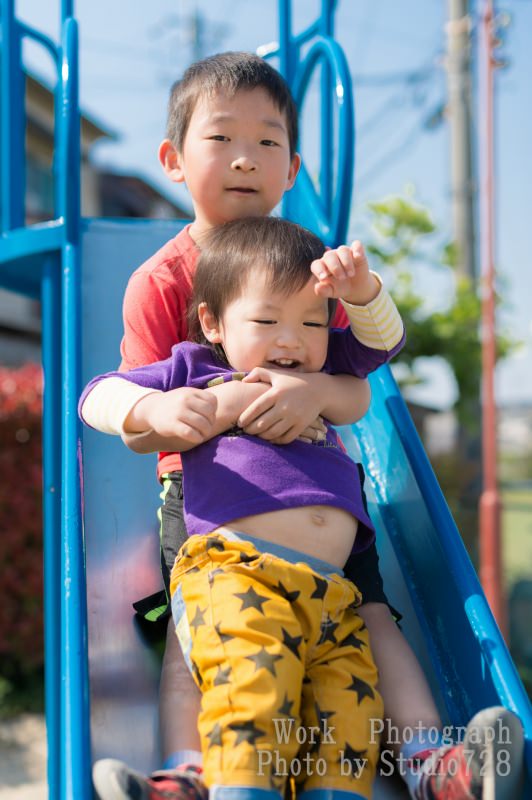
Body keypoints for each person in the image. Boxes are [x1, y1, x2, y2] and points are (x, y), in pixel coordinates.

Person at [87, 53, 522, 800]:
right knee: (193, 640)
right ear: (173, 159)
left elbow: (371, 359)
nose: (246, 158)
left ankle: (428, 760)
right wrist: (162, 412)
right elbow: (123, 401)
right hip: (209, 508)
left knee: (374, 622)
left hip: (327, 501)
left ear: (293, 166)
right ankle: (190, 770)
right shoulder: (162, 280)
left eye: (268, 142)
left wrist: (340, 335)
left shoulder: (307, 262)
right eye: (222, 139)